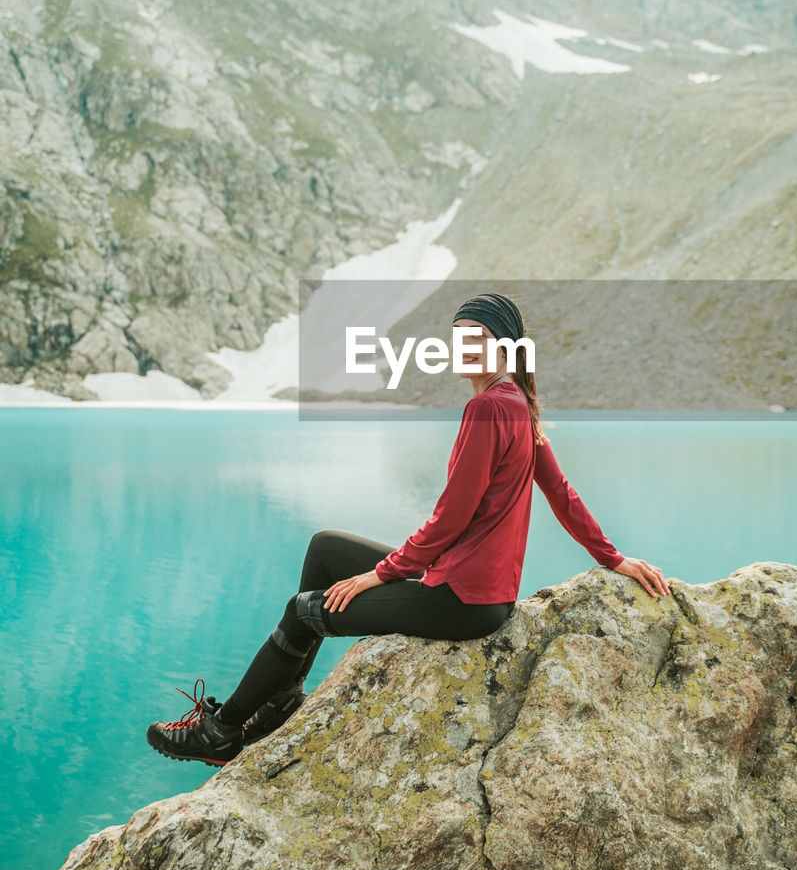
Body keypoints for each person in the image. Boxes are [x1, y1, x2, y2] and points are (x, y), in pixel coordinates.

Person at [146, 292, 670, 767]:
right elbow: (561, 492)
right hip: (474, 591)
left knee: (302, 612)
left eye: (478, 338)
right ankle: (281, 700)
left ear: (506, 347)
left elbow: (452, 516)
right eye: (460, 338)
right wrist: (612, 557)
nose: (465, 346)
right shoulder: (517, 405)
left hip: (462, 603)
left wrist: (383, 573)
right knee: (324, 550)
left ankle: (223, 730)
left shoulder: (488, 408)